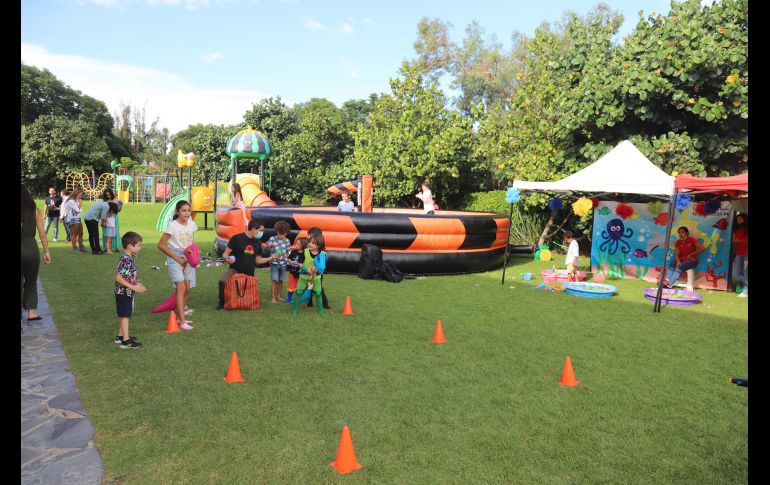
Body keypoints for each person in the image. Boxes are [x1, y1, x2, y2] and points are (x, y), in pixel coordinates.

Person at [216, 219, 276, 309]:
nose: (262, 233)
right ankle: (222, 302)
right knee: (223, 281)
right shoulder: (236, 238)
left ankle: (239, 301)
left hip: (249, 273)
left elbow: (258, 260)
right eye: (261, 230)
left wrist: (271, 258)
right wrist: (226, 258)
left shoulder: (258, 242)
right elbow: (225, 253)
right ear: (253, 229)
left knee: (245, 297)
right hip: (235, 269)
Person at [158, 200, 198, 329]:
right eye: (184, 211)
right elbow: (161, 245)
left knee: (187, 288)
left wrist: (194, 253)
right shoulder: (173, 225)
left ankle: (180, 318)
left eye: (189, 211)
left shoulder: (192, 224)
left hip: (187, 257)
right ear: (177, 211)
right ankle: (183, 322)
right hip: (175, 258)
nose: (187, 213)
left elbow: (191, 241)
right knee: (181, 288)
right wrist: (177, 258)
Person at [21, 185, 51, 325]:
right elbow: (42, 235)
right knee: (31, 281)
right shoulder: (36, 211)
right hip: (31, 249)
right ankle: (32, 313)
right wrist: (46, 252)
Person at [114, 231, 147, 349]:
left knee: (125, 314)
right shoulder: (126, 260)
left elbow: (126, 275)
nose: (140, 248)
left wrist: (135, 281)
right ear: (129, 246)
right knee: (125, 316)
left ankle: (120, 336)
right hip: (123, 292)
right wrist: (133, 287)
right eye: (138, 245)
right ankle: (126, 341)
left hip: (127, 291)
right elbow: (118, 277)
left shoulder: (129, 258)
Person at [292, 233, 327, 316]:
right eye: (310, 242)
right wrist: (306, 269)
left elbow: (323, 266)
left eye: (313, 243)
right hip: (304, 277)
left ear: (319, 245)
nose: (310, 244)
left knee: (318, 293)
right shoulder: (305, 252)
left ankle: (321, 311)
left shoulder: (322, 254)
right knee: (299, 292)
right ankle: (295, 310)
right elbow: (299, 263)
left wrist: (317, 270)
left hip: (316, 278)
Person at [305, 226, 331, 310]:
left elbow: (323, 263)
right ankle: (309, 303)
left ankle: (325, 303)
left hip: (317, 273)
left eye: (310, 235)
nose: (308, 236)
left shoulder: (321, 251)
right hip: (308, 271)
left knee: (319, 288)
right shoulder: (308, 247)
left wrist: (319, 269)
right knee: (309, 286)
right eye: (308, 235)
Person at [267, 220, 292, 303]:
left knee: (281, 280)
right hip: (274, 263)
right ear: (276, 231)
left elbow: (288, 251)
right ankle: (273, 298)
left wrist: (285, 256)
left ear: (286, 233)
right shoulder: (272, 238)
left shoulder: (287, 241)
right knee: (275, 280)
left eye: (283, 234)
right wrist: (271, 245)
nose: (281, 236)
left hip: (283, 264)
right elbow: (267, 245)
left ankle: (279, 295)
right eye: (279, 233)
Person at [285, 237, 309, 304]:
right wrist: (291, 262)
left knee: (302, 287)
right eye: (296, 243)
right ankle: (289, 299)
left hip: (301, 274)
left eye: (298, 244)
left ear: (303, 246)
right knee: (291, 286)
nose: (296, 245)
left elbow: (306, 263)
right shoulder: (294, 251)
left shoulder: (305, 254)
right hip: (292, 273)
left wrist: (301, 265)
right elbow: (289, 258)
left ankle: (303, 299)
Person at [63, 189, 86, 253]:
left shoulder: (77, 201)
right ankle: (74, 248)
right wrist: (81, 202)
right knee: (75, 233)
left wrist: (79, 202)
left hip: (78, 218)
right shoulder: (71, 201)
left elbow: (80, 211)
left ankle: (81, 247)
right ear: (75, 195)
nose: (81, 196)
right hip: (73, 219)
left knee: (81, 233)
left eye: (81, 195)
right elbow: (77, 210)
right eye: (80, 195)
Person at [732, 213, 748, 298]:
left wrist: (739, 240)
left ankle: (745, 292)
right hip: (739, 252)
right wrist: (734, 241)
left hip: (747, 252)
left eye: (740, 219)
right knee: (735, 273)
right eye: (737, 220)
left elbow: (739, 240)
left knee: (745, 272)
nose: (738, 221)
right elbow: (735, 242)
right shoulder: (736, 230)